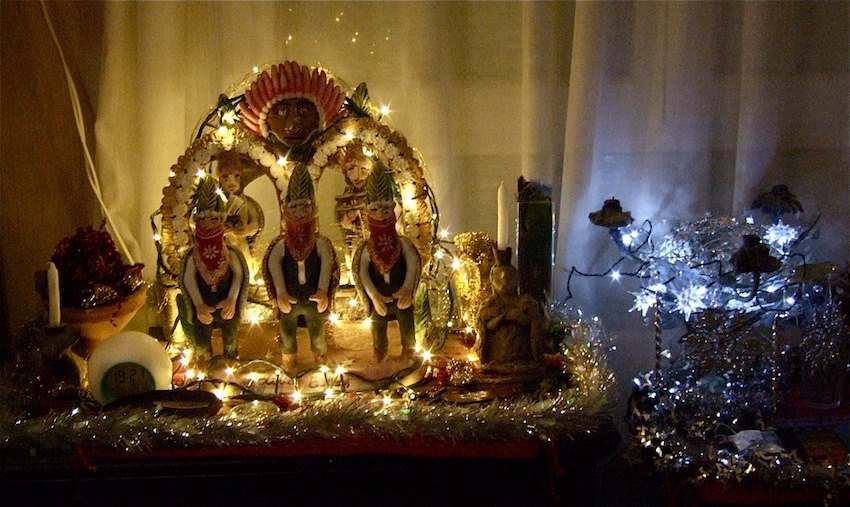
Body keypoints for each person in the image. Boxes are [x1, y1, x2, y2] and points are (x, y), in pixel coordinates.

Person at [264, 163, 338, 370]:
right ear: (286, 210)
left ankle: (320, 358)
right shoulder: (282, 245)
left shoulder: (320, 243)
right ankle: (288, 360)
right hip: (290, 298)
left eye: (304, 207)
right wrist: (280, 292)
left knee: (317, 330)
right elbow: (273, 264)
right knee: (287, 330)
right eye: (294, 208)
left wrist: (323, 291)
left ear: (313, 209)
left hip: (314, 298)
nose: (299, 213)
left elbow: (327, 264)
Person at [353, 164, 421, 362]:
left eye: (385, 209)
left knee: (406, 316)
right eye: (375, 210)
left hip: (400, 292)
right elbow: (362, 273)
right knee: (378, 321)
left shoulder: (402, 244)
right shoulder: (367, 248)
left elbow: (413, 263)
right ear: (368, 212)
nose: (381, 215)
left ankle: (408, 349)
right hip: (380, 294)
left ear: (392, 209)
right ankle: (380, 350)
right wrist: (374, 296)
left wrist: (407, 289)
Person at [180, 177, 248, 363]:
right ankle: (204, 361)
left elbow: (239, 275)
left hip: (226, 305)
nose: (208, 224)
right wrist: (198, 304)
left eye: (213, 219)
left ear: (221, 220)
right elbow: (188, 280)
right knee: (202, 335)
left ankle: (230, 360)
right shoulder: (193, 255)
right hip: (204, 305)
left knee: (230, 333)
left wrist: (232, 299)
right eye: (203, 219)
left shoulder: (230, 253)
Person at [475, 250, 544, 373]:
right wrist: (507, 316)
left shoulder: (526, 302)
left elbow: (531, 324)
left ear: (516, 278)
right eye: (499, 277)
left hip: (521, 358)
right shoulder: (490, 305)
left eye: (509, 276)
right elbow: (485, 325)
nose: (505, 281)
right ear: (492, 280)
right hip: (497, 358)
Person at [214, 151, 262, 279]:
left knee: (244, 273)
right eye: (225, 177)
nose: (232, 183)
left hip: (241, 247)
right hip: (220, 248)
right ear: (219, 180)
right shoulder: (216, 203)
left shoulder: (246, 203)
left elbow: (255, 224)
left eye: (236, 176)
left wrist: (247, 230)